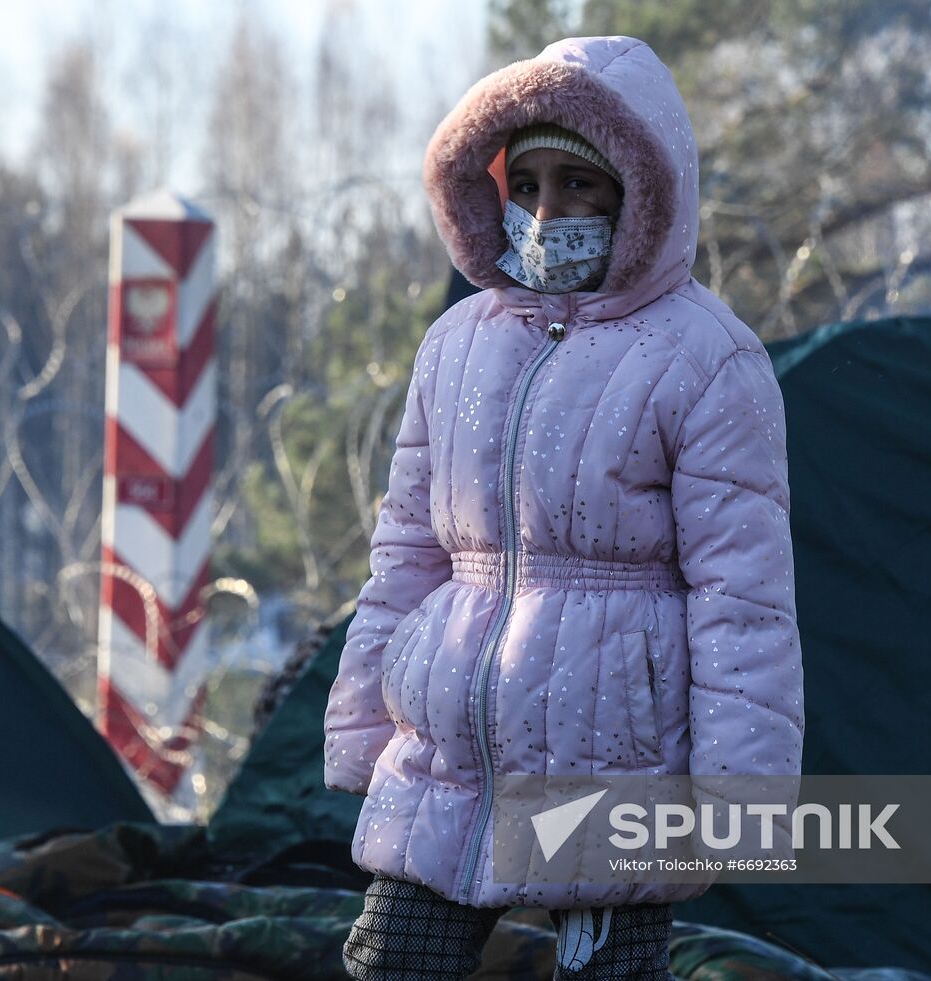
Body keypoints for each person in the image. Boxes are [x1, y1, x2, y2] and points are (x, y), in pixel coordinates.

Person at [324, 35, 805, 981]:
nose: (548, 213)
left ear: (640, 193)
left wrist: (740, 797)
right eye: (528, 183)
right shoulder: (456, 343)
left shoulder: (708, 358)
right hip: (446, 755)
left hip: (615, 758)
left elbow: (742, 598)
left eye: (580, 186)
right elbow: (407, 552)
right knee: (390, 966)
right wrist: (359, 724)